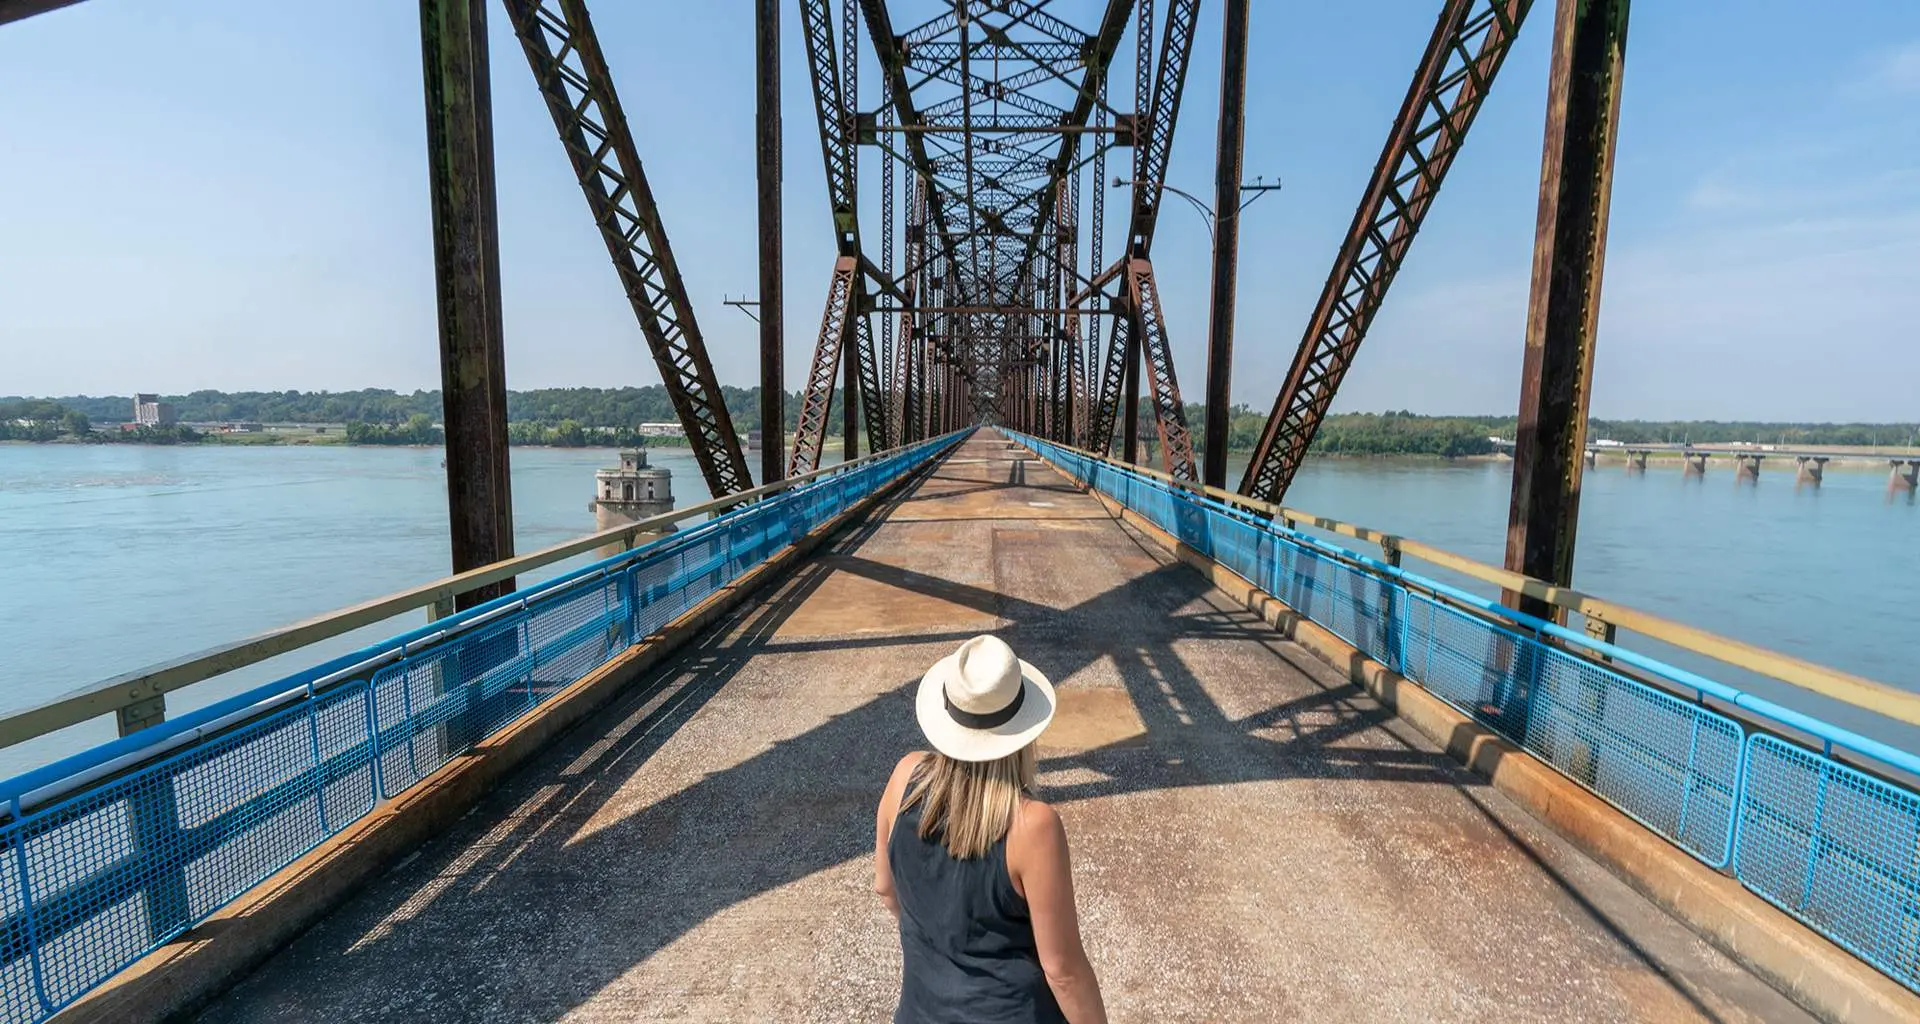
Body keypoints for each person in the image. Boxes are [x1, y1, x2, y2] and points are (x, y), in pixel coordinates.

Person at [874, 635, 1108, 1024]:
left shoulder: (904, 778)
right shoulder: (1032, 825)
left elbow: (885, 888)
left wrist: (944, 950)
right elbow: (1063, 970)